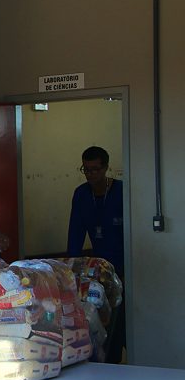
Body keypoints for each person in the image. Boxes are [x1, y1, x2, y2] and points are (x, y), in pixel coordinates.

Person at [67, 145, 125, 362]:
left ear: (106, 168)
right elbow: (75, 232)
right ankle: (105, 359)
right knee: (100, 316)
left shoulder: (121, 191)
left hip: (124, 264)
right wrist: (70, 269)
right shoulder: (82, 194)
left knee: (123, 318)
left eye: (95, 169)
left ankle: (119, 359)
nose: (91, 174)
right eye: (86, 169)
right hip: (98, 269)